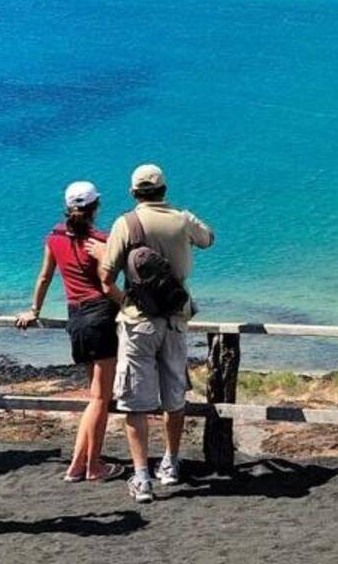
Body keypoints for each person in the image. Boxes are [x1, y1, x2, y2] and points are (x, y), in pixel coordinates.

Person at [99, 163, 215, 505]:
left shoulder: (126, 223)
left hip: (139, 322)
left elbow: (106, 279)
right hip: (176, 319)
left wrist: (129, 302)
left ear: (134, 192)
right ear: (164, 189)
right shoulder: (181, 219)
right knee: (174, 395)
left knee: (136, 401)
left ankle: (142, 476)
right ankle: (171, 462)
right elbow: (209, 239)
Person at [15, 180, 119, 482]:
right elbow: (106, 285)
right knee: (101, 399)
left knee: (94, 396)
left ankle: (79, 465)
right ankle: (91, 465)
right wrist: (131, 304)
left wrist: (34, 310)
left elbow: (45, 277)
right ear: (95, 207)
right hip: (100, 316)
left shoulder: (54, 237)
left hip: (75, 318)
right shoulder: (101, 240)